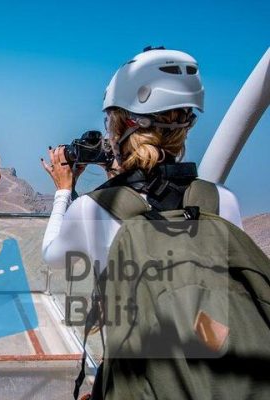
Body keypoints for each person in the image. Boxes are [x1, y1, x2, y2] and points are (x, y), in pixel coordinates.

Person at [40, 48, 263, 399]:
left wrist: (64, 191)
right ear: (187, 124)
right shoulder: (221, 200)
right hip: (212, 377)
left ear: (122, 123)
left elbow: (52, 256)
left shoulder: (91, 209)